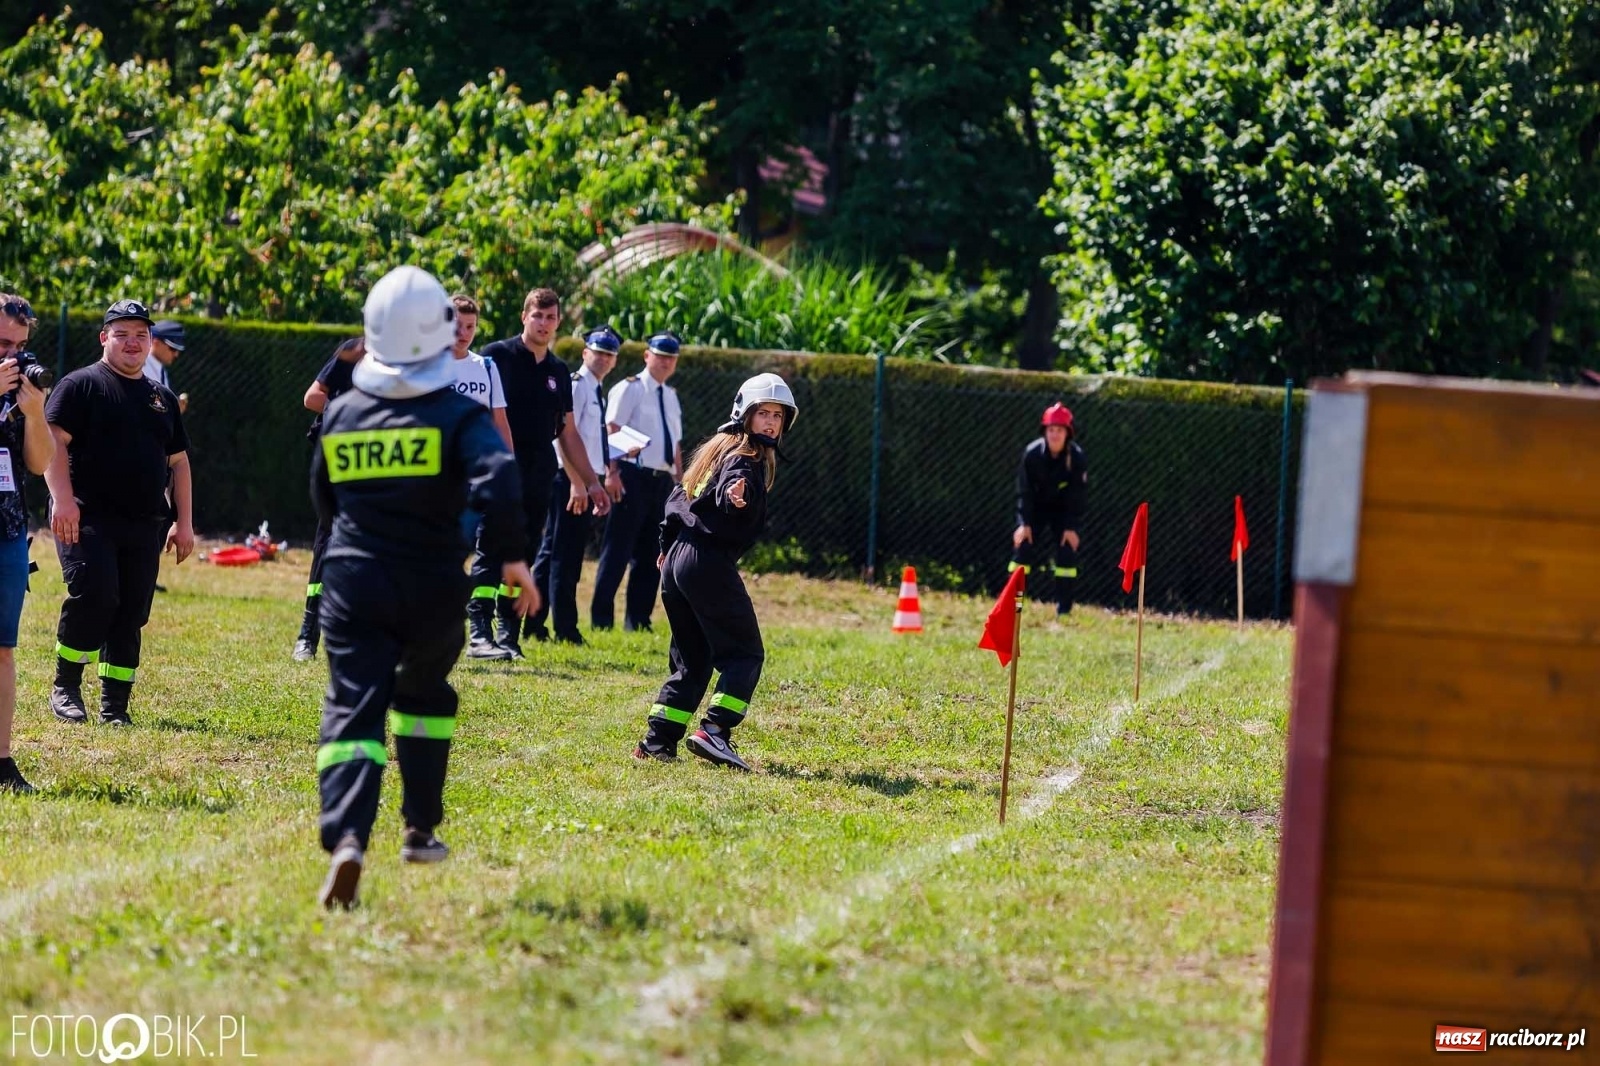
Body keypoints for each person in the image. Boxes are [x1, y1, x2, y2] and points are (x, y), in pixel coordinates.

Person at [312, 265, 536, 910]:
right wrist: (514, 557)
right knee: (423, 694)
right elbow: (500, 476)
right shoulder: (457, 413)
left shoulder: (345, 411)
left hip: (353, 578)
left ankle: (349, 837)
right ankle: (419, 828)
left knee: (352, 707)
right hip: (434, 581)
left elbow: (324, 501)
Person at [633, 373, 796, 771]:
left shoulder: (716, 450)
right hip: (705, 561)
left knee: (694, 659)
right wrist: (734, 495)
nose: (771, 423)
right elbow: (731, 486)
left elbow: (678, 497)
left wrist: (665, 549)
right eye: (763, 414)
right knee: (745, 654)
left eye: (778, 415)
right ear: (745, 414)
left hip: (678, 562)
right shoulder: (744, 457)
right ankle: (716, 731)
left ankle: (658, 740)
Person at [45, 299, 195, 727]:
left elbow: (179, 462)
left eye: (141, 335)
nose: (133, 343)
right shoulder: (80, 386)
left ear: (150, 341)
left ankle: (115, 708)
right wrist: (63, 500)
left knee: (131, 611)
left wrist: (183, 523)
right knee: (97, 596)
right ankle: (66, 686)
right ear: (104, 338)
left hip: (145, 523)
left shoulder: (160, 397)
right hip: (86, 518)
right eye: (122, 334)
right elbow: (53, 442)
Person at [474, 288, 609, 657]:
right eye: (538, 316)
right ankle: (479, 630)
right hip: (498, 469)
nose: (544, 324)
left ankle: (508, 635)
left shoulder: (558, 372)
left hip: (539, 473)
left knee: (525, 551)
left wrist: (592, 482)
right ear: (524, 317)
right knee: (491, 546)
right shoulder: (495, 357)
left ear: (558, 323)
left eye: (551, 318)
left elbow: (567, 432)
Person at [527, 326, 621, 644]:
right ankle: (565, 627)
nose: (604, 359)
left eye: (610, 354)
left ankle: (533, 620)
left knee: (554, 553)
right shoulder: (578, 386)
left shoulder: (596, 390)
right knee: (564, 557)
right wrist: (577, 482)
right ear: (586, 353)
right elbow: (562, 437)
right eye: (599, 352)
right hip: (570, 480)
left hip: (581, 479)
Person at [0, 294, 54, 792]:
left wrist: (34, 414)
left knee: (2, 648)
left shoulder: (18, 393)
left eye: (19, 346)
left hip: (7, 530)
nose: (12, 357)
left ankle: (1, 761)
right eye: (2, 344)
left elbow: (38, 464)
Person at [593, 331, 683, 632]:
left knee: (650, 554)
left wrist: (680, 483)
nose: (666, 363)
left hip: (661, 481)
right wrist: (612, 472)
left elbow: (676, 445)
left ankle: (638, 621)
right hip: (632, 475)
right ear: (647, 356)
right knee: (617, 550)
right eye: (661, 356)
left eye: (671, 358)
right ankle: (601, 619)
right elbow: (612, 429)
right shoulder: (631, 388)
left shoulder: (670, 395)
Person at [293, 335, 363, 662]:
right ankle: (308, 633)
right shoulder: (356, 350)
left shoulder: (417, 359)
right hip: (342, 455)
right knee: (329, 539)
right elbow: (312, 397)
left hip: (385, 461)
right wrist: (355, 413)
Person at [1011, 401, 1088, 615]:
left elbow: (1077, 497)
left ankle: (1064, 610)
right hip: (1034, 509)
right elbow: (1024, 491)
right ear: (1045, 432)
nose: (1055, 435)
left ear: (1068, 434)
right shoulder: (1032, 454)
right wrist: (1024, 523)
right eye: (1051, 430)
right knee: (1022, 547)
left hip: (1062, 512)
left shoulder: (1077, 459)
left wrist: (1071, 527)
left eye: (1060, 430)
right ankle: (1013, 605)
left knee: (1067, 551)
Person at [144, 320, 189, 413]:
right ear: (155, 343)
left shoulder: (159, 368)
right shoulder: (140, 368)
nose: (176, 354)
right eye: (172, 348)